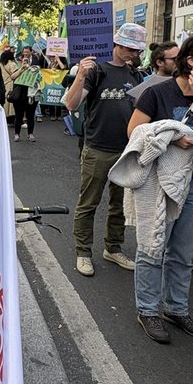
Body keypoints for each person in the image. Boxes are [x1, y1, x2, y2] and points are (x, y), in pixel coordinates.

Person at [127, 33, 193, 343]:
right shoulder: (157, 93)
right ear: (192, 60)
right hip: (162, 182)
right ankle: (147, 310)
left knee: (183, 253)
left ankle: (176, 307)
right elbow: (134, 131)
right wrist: (171, 138)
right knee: (153, 248)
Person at [65, 23, 146, 276]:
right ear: (117, 45)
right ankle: (83, 252)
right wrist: (80, 76)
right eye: (130, 48)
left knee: (119, 205)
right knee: (89, 203)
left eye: (136, 50)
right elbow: (71, 103)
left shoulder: (136, 75)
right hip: (98, 147)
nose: (133, 54)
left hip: (126, 150)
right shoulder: (96, 70)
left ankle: (113, 248)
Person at [10, 48, 41, 142]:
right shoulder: (17, 63)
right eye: (24, 52)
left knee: (30, 115)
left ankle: (30, 134)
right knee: (19, 115)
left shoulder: (36, 64)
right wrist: (22, 68)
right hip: (19, 93)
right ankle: (17, 134)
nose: (26, 54)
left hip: (31, 94)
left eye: (28, 52)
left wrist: (30, 68)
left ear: (31, 53)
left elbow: (39, 78)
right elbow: (13, 77)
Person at [0, 48, 18, 126]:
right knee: (11, 103)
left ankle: (5, 119)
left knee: (5, 102)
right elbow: (15, 75)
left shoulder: (0, 64)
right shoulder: (12, 64)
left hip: (2, 84)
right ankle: (11, 120)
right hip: (10, 84)